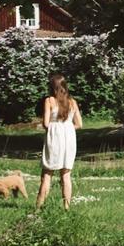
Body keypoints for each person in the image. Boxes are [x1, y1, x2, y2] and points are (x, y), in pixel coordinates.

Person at [36, 73, 82, 209]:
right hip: (69, 138)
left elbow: (45, 123)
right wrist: (66, 128)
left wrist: (57, 128)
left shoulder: (49, 101)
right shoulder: (72, 102)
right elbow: (79, 124)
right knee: (66, 175)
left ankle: (38, 209)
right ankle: (66, 208)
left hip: (54, 138)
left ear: (52, 87)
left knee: (47, 174)